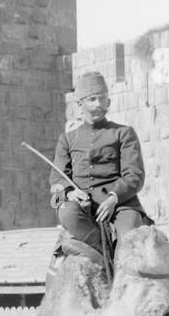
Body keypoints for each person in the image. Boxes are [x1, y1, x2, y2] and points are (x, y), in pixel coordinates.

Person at [49, 70, 148, 257]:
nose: (98, 105)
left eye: (102, 99)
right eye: (92, 99)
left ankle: (120, 268)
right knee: (66, 213)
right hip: (82, 206)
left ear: (109, 102)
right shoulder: (67, 139)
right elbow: (57, 178)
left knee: (128, 236)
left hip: (120, 205)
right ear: (80, 105)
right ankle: (104, 253)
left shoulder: (124, 133)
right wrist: (70, 193)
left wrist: (113, 198)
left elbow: (135, 175)